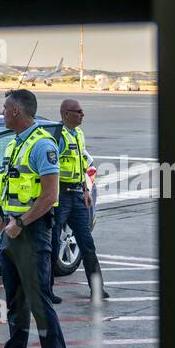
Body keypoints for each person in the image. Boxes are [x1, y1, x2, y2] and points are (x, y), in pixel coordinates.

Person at [0, 89, 72, 348]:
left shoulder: (41, 145)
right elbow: (8, 200)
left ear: (17, 113)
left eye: (5, 109)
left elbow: (50, 196)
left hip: (32, 235)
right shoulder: (13, 146)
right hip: (12, 234)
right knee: (15, 306)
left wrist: (20, 224)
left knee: (40, 305)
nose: (2, 112)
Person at [45, 98, 112, 304]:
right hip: (61, 195)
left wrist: (85, 190)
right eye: (78, 111)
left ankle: (97, 288)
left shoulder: (78, 134)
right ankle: (47, 290)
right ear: (66, 113)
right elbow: (50, 168)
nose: (82, 115)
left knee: (86, 243)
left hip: (76, 195)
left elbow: (81, 164)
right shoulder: (58, 136)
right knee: (54, 244)